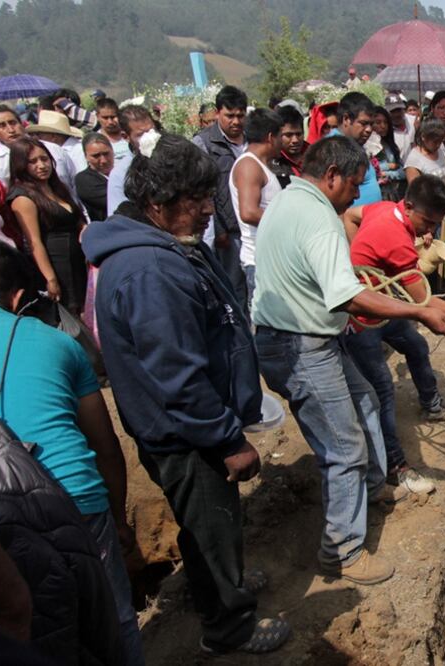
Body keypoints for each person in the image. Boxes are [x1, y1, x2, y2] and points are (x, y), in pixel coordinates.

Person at [82, 134, 290, 655]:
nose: (205, 211)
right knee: (210, 521)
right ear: (157, 204)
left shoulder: (163, 248)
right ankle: (228, 625)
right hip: (186, 433)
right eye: (194, 202)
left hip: (189, 425)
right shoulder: (151, 269)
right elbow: (178, 375)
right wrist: (226, 439)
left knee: (210, 522)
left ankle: (225, 582)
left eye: (206, 198)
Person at [251, 136, 445, 585]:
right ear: (331, 176)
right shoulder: (318, 217)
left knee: (365, 399)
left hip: (304, 336)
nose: (355, 196)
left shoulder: (289, 201)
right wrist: (420, 310)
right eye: (354, 185)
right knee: (344, 447)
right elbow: (347, 295)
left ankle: (372, 485)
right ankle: (343, 550)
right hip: (300, 344)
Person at [0, 239, 143, 664]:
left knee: (26, 634)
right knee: (115, 618)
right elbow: (104, 445)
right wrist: (118, 518)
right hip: (72, 498)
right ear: (18, 297)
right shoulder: (57, 342)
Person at [341, 176, 445, 495]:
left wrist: (359, 262)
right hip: (362, 317)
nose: (429, 232)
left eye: (436, 225)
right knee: (381, 388)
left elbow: (351, 216)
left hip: (385, 305)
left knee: (415, 344)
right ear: (408, 206)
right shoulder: (396, 240)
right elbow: (424, 301)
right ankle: (395, 467)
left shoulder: (384, 207)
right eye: (426, 222)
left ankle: (432, 405)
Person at [8, 137, 87, 314]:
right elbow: (34, 242)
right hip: (57, 265)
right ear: (21, 165)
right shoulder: (23, 198)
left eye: (44, 159)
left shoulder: (57, 187)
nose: (42, 165)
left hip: (78, 261)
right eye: (33, 161)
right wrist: (50, 278)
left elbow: (76, 219)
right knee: (70, 316)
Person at [192, 85, 250, 309]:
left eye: (240, 115)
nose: (236, 121)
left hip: (252, 227)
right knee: (233, 288)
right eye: (230, 116)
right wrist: (219, 229)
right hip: (229, 231)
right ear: (218, 114)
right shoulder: (204, 143)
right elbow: (204, 190)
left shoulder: (252, 139)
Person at [230, 109, 284, 310]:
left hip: (270, 260)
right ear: (271, 137)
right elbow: (249, 212)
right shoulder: (249, 166)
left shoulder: (260, 165)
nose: (283, 142)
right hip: (260, 262)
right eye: (280, 136)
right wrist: (290, 221)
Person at [0, 104, 79, 200]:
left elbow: (75, 184)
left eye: (13, 123)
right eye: (1, 126)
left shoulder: (53, 149)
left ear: (21, 123)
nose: (11, 130)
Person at [106, 105, 157, 217]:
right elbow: (118, 219)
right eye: (141, 135)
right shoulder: (120, 174)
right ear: (125, 136)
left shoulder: (171, 158)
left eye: (152, 131)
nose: (150, 138)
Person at [331, 92, 382, 206]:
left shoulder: (355, 145)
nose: (369, 130)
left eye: (371, 124)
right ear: (346, 119)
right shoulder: (333, 148)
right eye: (363, 123)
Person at [75, 133, 114, 222]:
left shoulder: (123, 172)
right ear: (86, 157)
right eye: (96, 156)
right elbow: (113, 201)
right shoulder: (84, 179)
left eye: (106, 153)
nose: (103, 160)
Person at [371, 106, 406, 201]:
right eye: (378, 122)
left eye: (385, 122)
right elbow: (370, 169)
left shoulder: (391, 145)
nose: (383, 126)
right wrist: (388, 166)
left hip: (395, 193)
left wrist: (387, 173)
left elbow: (403, 172)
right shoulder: (366, 147)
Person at [269, 104, 308, 188]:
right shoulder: (271, 162)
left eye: (298, 134)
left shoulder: (316, 155)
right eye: (288, 135)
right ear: (277, 135)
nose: (295, 140)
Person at [404, 119, 445, 183]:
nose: (438, 145)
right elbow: (415, 190)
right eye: (435, 142)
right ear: (423, 137)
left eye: (440, 141)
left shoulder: (441, 153)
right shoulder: (414, 160)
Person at [95, 97, 130, 162]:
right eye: (105, 118)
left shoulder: (130, 136)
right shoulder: (94, 142)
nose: (110, 122)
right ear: (98, 117)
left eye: (113, 117)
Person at [385, 93, 414, 162]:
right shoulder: (385, 131)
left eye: (398, 110)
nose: (397, 114)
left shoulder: (414, 121)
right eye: (393, 111)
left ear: (403, 109)